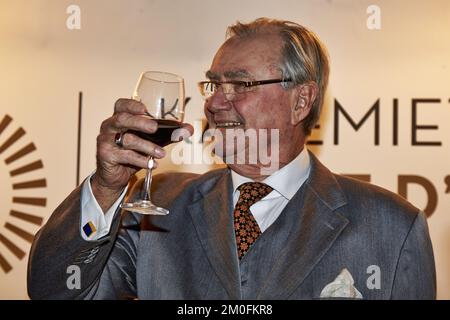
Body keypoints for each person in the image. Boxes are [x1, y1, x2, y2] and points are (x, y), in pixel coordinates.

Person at [27, 17, 436, 299]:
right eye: (212, 84)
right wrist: (106, 188)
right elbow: (55, 290)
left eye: (240, 84)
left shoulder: (392, 225)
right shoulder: (157, 208)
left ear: (302, 100)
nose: (216, 103)